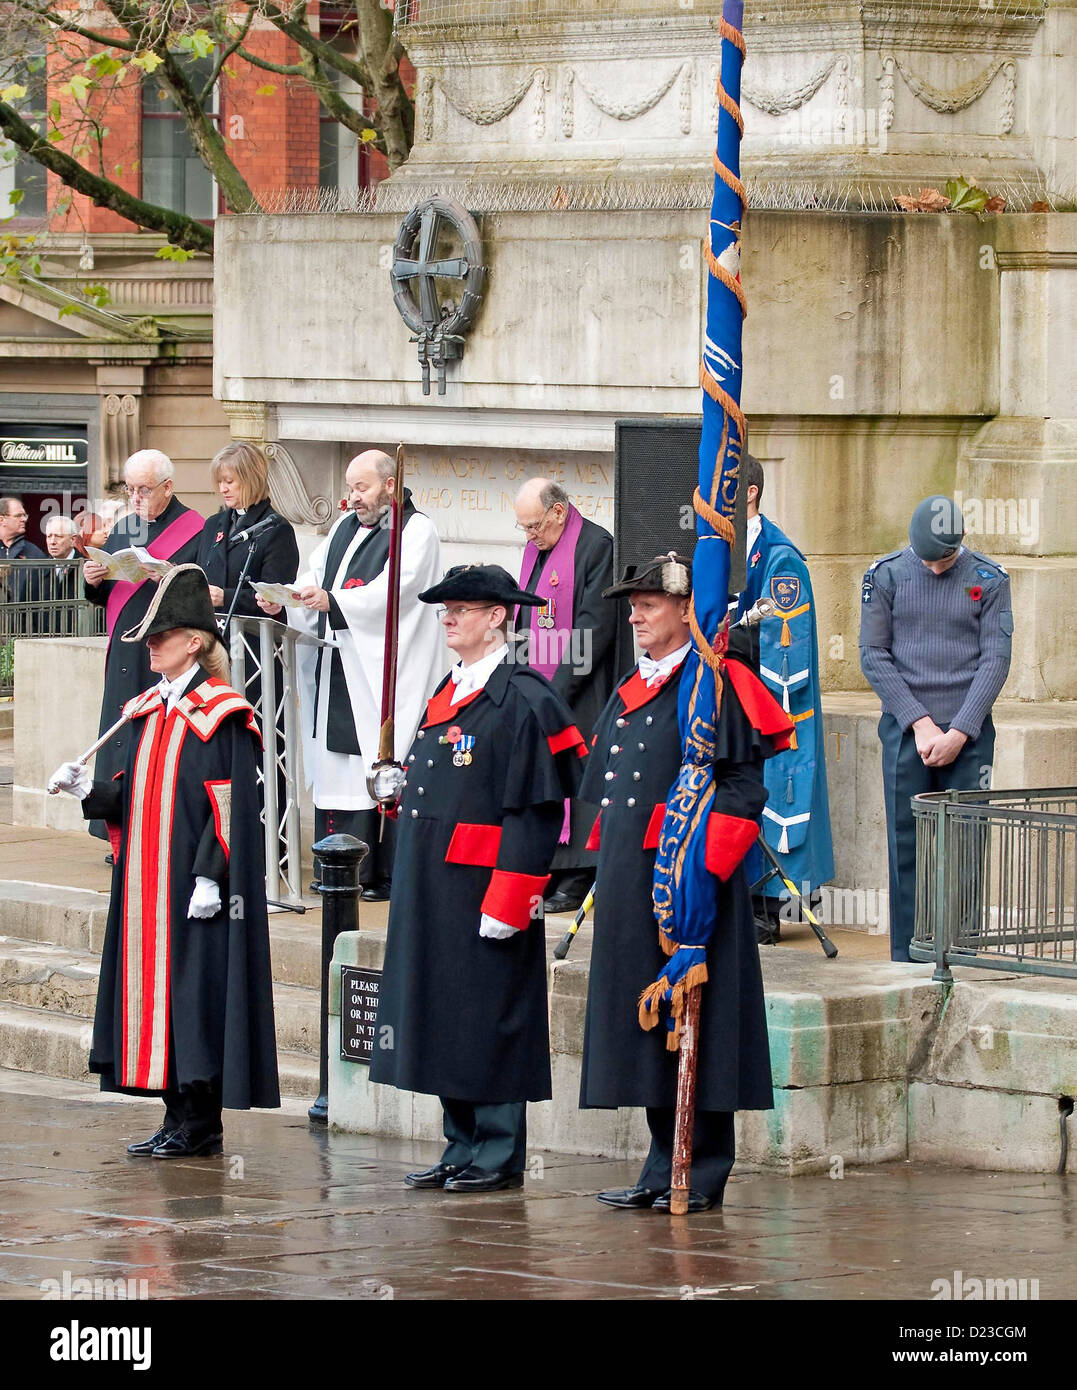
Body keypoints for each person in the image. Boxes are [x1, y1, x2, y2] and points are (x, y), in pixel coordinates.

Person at [579, 552, 793, 1212]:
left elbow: (741, 787)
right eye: (633, 605)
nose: (635, 615)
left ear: (684, 611)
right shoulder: (636, 684)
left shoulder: (713, 684)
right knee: (647, 1033)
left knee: (702, 1027)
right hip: (629, 881)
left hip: (690, 887)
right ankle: (655, 1161)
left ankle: (701, 1170)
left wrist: (700, 869)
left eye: (649, 603)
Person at [48, 565, 280, 1157]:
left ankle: (201, 1122)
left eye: (161, 636)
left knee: (195, 996)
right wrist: (87, 793)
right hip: (146, 880)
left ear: (194, 642)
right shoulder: (150, 708)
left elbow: (229, 802)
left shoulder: (223, 712)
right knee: (158, 998)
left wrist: (210, 875)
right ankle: (175, 1115)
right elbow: (141, 796)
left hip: (193, 880)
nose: (150, 646)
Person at [369, 564, 586, 1193]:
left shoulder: (524, 696)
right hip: (433, 884)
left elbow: (537, 811)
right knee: (445, 1015)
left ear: (498, 617)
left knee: (490, 1015)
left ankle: (497, 1151)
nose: (448, 618)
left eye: (462, 609)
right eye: (445, 609)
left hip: (486, 887)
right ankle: (459, 1142)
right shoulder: (446, 689)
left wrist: (512, 897)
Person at [258, 449, 442, 901]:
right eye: (350, 488)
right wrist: (287, 599)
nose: (352, 498)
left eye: (361, 487)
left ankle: (380, 873)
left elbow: (400, 589)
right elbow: (313, 576)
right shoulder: (343, 528)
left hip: (380, 668)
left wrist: (334, 604)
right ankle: (337, 866)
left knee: (378, 762)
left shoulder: (416, 531)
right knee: (335, 763)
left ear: (390, 486)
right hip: (336, 662)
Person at [860, 495, 1013, 962]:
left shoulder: (989, 579)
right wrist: (920, 724)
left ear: (959, 545)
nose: (935, 568)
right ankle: (908, 954)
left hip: (968, 734)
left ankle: (962, 950)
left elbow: (996, 659)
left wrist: (961, 731)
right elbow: (873, 655)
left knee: (967, 842)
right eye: (926, 558)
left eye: (943, 559)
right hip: (908, 731)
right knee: (905, 844)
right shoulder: (885, 576)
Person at [514, 477, 628, 914]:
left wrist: (555, 692)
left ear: (559, 512)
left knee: (579, 777)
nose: (530, 536)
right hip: (540, 685)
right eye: (524, 528)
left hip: (583, 688)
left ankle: (580, 873)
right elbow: (523, 616)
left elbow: (593, 625)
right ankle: (552, 867)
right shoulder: (534, 550)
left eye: (535, 526)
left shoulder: (597, 546)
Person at [82, 450, 204, 840]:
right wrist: (93, 580)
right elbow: (107, 596)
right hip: (123, 645)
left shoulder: (196, 529)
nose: (135, 497)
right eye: (130, 489)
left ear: (167, 487)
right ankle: (114, 830)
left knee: (152, 740)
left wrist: (165, 578)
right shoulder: (123, 529)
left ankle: (150, 829)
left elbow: (201, 594)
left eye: (143, 489)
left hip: (163, 649)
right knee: (118, 736)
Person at [736, 454, 833, 937]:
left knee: (776, 789)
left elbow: (780, 637)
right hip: (733, 692)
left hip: (769, 696)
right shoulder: (724, 548)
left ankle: (771, 907)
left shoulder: (779, 555)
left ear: (749, 492)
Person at [196, 441, 299, 635]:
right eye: (220, 481)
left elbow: (276, 598)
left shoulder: (276, 529)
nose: (222, 489)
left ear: (251, 479)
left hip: (253, 643)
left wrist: (225, 597)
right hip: (211, 636)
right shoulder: (213, 524)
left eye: (229, 481)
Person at [0, 497, 45, 610]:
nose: (24, 519)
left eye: (25, 515)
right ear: (2, 520)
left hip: (23, 622)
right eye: (18, 515)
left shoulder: (34, 552)